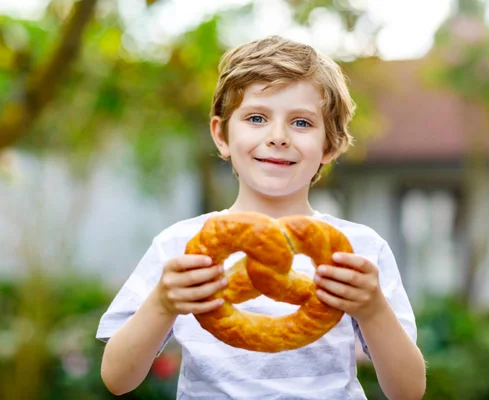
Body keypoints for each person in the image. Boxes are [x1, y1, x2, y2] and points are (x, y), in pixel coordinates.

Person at [96, 35, 426, 400]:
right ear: (221, 135)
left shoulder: (359, 252)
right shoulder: (180, 248)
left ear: (329, 145)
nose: (278, 136)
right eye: (256, 118)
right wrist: (162, 303)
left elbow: (407, 392)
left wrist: (374, 309)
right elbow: (117, 378)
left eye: (301, 123)